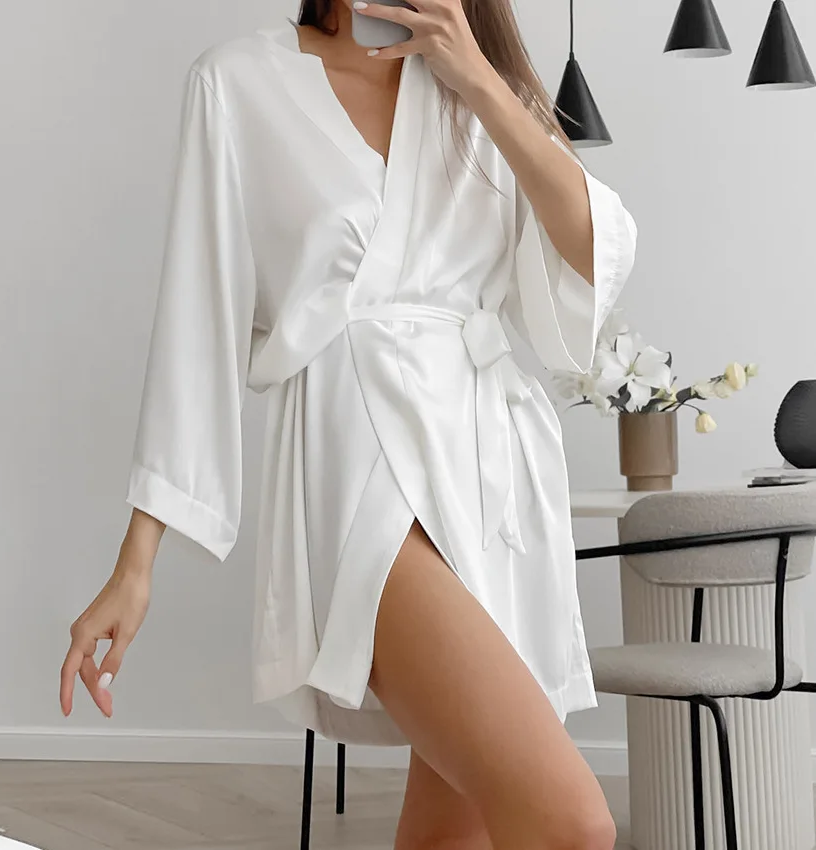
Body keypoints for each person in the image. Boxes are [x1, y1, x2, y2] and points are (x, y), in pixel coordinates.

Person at [60, 1, 637, 847]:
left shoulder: (477, 87)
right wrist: (136, 561)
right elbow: (198, 318)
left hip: (491, 476)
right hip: (356, 461)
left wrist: (477, 77)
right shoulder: (239, 83)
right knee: (572, 825)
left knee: (454, 834)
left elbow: (592, 252)